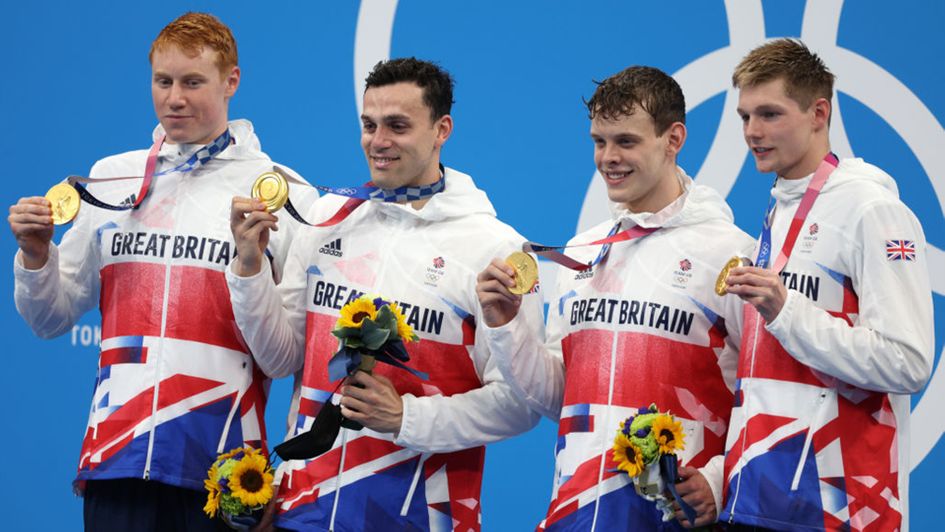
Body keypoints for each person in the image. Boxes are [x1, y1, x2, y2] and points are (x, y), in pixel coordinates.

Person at [8, 12, 314, 531]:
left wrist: (249, 265)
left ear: (231, 81)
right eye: (163, 81)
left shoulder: (280, 192)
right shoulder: (110, 179)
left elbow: (283, 358)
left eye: (193, 82)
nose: (175, 98)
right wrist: (37, 256)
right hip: (117, 460)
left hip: (224, 474)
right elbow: (50, 319)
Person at [227, 57, 542, 531]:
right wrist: (250, 267)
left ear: (442, 129)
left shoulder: (492, 247)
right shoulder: (328, 217)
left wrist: (406, 418)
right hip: (304, 512)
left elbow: (520, 404)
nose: (378, 141)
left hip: (419, 517)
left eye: (398, 126)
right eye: (369, 125)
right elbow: (279, 358)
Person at [476, 66, 755, 530]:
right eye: (599, 141)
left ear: (674, 138)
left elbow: (763, 393)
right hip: (577, 511)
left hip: (678, 516)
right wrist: (507, 325)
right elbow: (559, 398)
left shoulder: (730, 255)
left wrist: (719, 476)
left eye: (626, 141)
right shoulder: (584, 252)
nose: (608, 158)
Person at [720, 38, 934, 531]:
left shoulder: (871, 209)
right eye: (745, 116)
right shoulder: (778, 211)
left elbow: (907, 361)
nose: (752, 132)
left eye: (770, 114)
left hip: (839, 506)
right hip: (758, 500)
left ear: (819, 112)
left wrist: (786, 310)